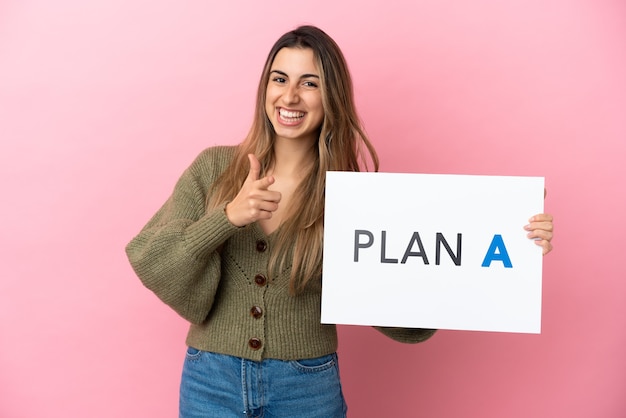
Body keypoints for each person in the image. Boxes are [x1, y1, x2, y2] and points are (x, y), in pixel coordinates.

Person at [126, 25, 554, 418]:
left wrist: (511, 245)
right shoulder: (213, 167)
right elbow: (152, 260)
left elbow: (406, 321)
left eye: (309, 83)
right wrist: (227, 217)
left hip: (307, 387)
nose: (290, 97)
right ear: (265, 87)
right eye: (280, 78)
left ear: (331, 97)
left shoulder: (355, 197)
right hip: (210, 381)